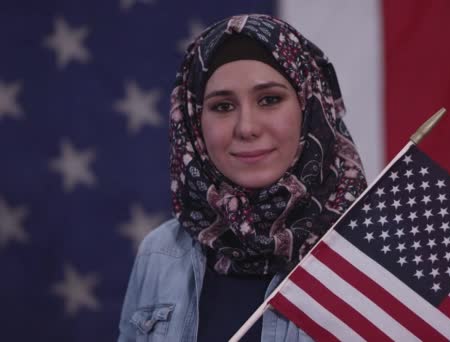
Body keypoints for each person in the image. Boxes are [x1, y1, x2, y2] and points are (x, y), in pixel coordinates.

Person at [118, 14, 367, 341]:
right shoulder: (160, 253)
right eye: (222, 106)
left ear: (310, 107)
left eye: (269, 100)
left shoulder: (370, 255)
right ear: (194, 122)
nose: (246, 127)